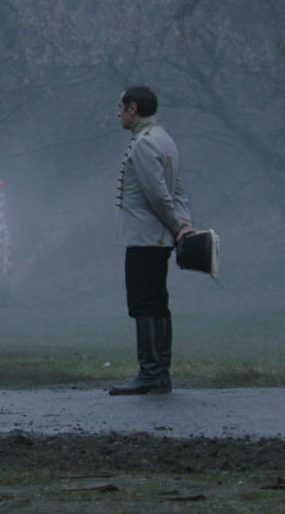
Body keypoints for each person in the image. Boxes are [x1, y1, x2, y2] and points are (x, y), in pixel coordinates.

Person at [110, 86, 194, 395]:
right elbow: (177, 190)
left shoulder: (144, 144)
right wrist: (184, 225)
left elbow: (158, 195)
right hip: (157, 238)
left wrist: (177, 225)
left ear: (133, 108)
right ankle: (159, 373)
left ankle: (152, 373)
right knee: (157, 305)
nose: (118, 113)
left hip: (145, 237)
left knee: (144, 305)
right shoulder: (164, 138)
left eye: (121, 107)